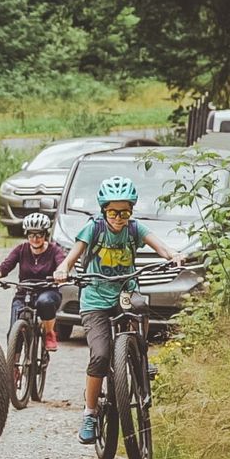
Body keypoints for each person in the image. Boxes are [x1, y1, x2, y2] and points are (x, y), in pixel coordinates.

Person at [53, 176, 183, 444]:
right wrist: (63, 268)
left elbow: (159, 245)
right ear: (104, 210)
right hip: (96, 300)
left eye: (124, 212)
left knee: (140, 306)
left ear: (131, 211)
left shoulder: (134, 229)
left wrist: (172, 255)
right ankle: (90, 412)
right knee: (100, 356)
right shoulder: (94, 228)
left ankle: (141, 356)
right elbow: (73, 255)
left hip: (124, 292)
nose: (119, 218)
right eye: (113, 212)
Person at [0, 213, 67, 352]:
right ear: (26, 234)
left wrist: (61, 273)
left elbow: (62, 264)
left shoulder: (54, 250)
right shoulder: (21, 249)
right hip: (24, 293)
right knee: (13, 332)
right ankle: (14, 365)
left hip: (47, 291)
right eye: (31, 235)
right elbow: (6, 265)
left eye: (39, 234)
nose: (35, 239)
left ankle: (49, 333)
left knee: (45, 302)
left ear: (45, 234)